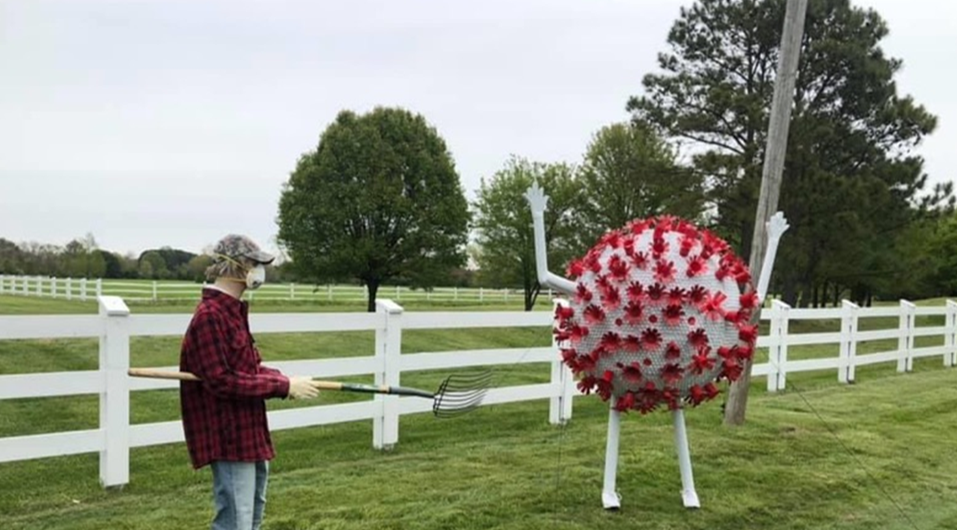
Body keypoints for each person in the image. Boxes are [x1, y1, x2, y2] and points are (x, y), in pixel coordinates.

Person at [179, 234, 322, 530]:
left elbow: (249, 369)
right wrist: (283, 387)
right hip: (229, 436)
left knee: (251, 517)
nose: (259, 270)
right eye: (253, 263)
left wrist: (284, 380)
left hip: (249, 431)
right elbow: (222, 381)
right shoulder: (209, 317)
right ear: (233, 266)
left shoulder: (232, 311)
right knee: (236, 522)